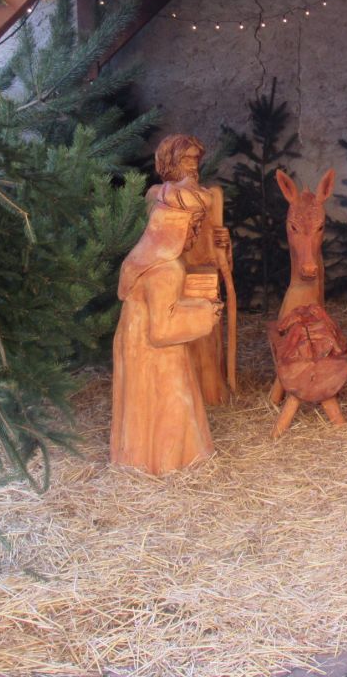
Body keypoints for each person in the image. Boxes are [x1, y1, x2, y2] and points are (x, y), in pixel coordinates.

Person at [111, 184, 223, 475]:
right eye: (193, 227)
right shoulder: (167, 269)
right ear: (176, 225)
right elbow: (162, 330)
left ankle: (137, 459)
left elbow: (159, 308)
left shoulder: (142, 258)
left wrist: (192, 303)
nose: (195, 235)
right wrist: (206, 313)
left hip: (134, 345)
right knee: (170, 404)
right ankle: (169, 462)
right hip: (158, 356)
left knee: (141, 406)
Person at [147, 133, 236, 403]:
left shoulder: (211, 196)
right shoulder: (158, 195)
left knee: (207, 336)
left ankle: (211, 393)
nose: (193, 165)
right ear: (169, 161)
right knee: (180, 339)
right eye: (186, 159)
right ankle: (183, 398)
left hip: (205, 278)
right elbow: (153, 242)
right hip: (171, 280)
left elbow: (217, 255)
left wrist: (224, 244)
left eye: (196, 159)